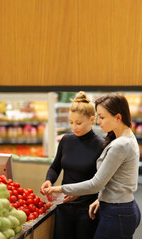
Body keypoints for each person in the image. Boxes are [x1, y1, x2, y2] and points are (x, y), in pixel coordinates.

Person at [45, 93, 141, 239]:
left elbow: (96, 184)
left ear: (118, 117)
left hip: (115, 211)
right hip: (117, 206)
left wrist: (60, 189)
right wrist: (100, 198)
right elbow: (114, 179)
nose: (99, 121)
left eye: (102, 117)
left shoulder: (119, 145)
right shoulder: (125, 138)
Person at [40, 91, 104, 239]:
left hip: (87, 209)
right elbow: (55, 167)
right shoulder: (66, 140)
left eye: (78, 123)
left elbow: (102, 180)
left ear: (92, 120)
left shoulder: (101, 145)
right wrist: (49, 180)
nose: (74, 127)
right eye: (71, 122)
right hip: (64, 206)